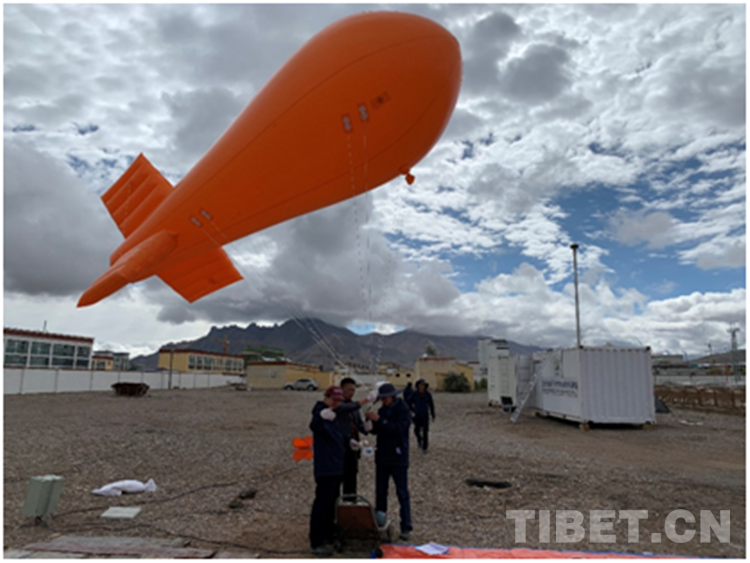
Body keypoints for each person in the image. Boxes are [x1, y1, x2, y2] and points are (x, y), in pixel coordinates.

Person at [364, 382, 412, 541]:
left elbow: (398, 429)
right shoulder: (382, 410)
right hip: (383, 457)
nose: (384, 400)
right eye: (382, 398)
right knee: (380, 492)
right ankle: (380, 522)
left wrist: (380, 420)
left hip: (398, 457)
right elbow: (378, 430)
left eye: (386, 398)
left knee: (402, 493)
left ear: (392, 396)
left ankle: (406, 525)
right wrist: (370, 424)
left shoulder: (403, 410)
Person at [308, 386, 345, 557]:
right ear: (326, 397)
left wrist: (349, 442)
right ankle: (316, 542)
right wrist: (320, 417)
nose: (336, 403)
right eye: (334, 400)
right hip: (325, 468)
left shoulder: (333, 415)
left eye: (338, 401)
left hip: (336, 466)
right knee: (322, 505)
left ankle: (328, 534)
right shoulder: (320, 412)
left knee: (332, 504)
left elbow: (337, 436)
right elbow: (314, 425)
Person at [335, 377, 376, 498]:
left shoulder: (354, 408)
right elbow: (346, 409)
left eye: (353, 390)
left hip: (353, 449)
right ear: (341, 389)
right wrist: (366, 400)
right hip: (339, 450)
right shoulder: (337, 405)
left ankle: (350, 503)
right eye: (349, 390)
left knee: (351, 478)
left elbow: (359, 425)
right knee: (336, 481)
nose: (351, 393)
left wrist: (368, 426)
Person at [408, 379, 435, 452]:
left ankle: (425, 447)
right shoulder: (414, 394)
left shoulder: (428, 395)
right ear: (418, 386)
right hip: (416, 415)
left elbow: (431, 405)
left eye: (423, 385)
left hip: (425, 415)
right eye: (420, 385)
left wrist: (433, 415)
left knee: (425, 431)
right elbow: (408, 402)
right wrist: (411, 410)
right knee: (416, 430)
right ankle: (420, 439)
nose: (422, 387)